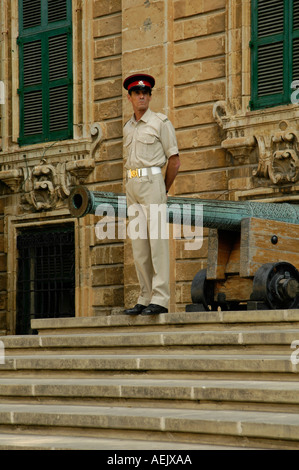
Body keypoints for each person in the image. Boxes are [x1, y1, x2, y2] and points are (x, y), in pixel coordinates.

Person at [122, 73, 180, 316]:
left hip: (153, 181)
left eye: (145, 92)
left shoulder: (160, 122)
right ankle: (145, 297)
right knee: (139, 247)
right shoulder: (128, 127)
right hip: (132, 185)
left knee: (157, 244)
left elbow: (174, 161)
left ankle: (161, 298)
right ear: (130, 97)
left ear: (150, 95)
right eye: (137, 92)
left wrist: (162, 189)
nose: (142, 95)